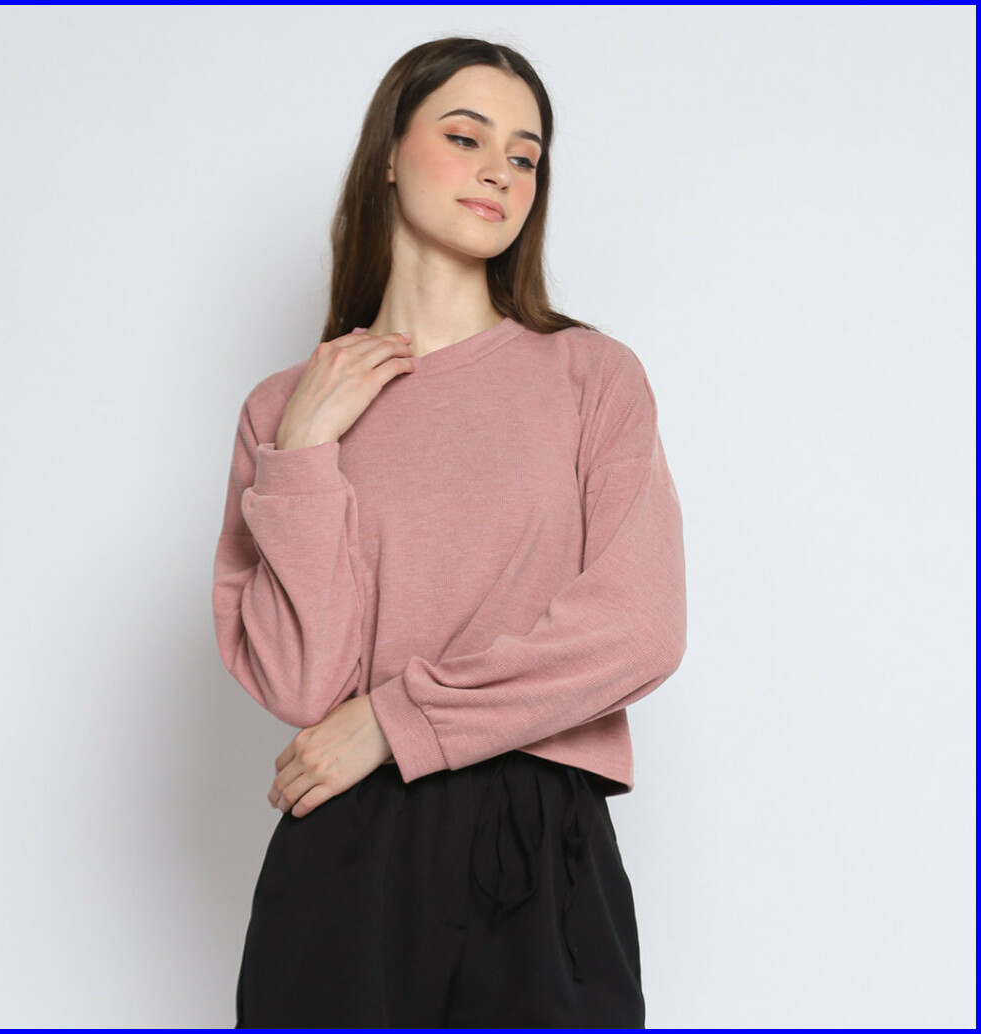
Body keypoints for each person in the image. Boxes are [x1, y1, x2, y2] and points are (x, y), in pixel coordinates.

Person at [212, 35, 686, 1029]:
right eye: (465, 137)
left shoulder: (589, 376)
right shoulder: (281, 408)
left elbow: (638, 627)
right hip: (345, 846)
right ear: (388, 153)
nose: (499, 171)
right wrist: (303, 449)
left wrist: (396, 719)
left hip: (540, 835)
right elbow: (300, 684)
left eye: (524, 155)